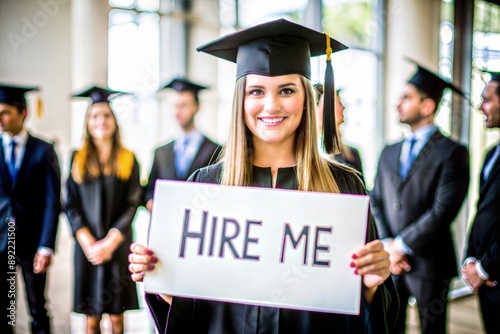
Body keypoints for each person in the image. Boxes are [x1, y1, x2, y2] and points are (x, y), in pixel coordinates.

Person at [128, 18, 398, 333]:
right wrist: (161, 276)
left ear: (307, 99)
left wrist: (371, 282)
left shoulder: (343, 186)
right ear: (240, 101)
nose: (271, 105)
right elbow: (191, 309)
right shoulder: (204, 185)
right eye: (256, 91)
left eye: (286, 90)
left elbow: (362, 309)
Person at [370, 62, 470, 333]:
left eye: (406, 97)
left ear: (427, 106)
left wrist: (402, 246)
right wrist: (390, 246)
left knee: (432, 328)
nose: (398, 104)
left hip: (431, 261)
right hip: (390, 260)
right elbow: (376, 199)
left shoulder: (452, 152)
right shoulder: (388, 151)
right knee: (391, 325)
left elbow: (443, 210)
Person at [64, 86, 142, 334]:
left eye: (107, 116)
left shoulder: (129, 158)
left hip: (117, 246)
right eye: (95, 116)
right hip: (87, 247)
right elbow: (70, 204)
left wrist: (110, 242)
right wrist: (87, 241)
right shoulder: (77, 158)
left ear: (115, 122)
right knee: (92, 318)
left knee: (117, 317)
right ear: (87, 122)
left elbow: (133, 203)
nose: (101, 121)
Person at [0, 84, 61, 334]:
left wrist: (46, 245)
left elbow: (52, 201)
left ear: (23, 112)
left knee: (38, 307)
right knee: (5, 309)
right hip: (1, 240)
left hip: (32, 242)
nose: (0, 119)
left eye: (5, 112)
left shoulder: (44, 150)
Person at [143, 78, 221, 211]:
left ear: (196, 107)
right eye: (175, 106)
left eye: (183, 106)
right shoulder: (160, 152)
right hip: (166, 221)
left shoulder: (216, 150)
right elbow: (149, 190)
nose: (177, 112)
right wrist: (150, 202)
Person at [462, 71, 500, 333]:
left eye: (487, 99)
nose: (480, 106)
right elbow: (484, 211)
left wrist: (485, 267)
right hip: (486, 280)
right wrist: (471, 260)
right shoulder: (491, 154)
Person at [314, 83, 364, 179]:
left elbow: (361, 192)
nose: (343, 107)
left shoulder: (352, 154)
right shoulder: (306, 151)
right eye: (338, 103)